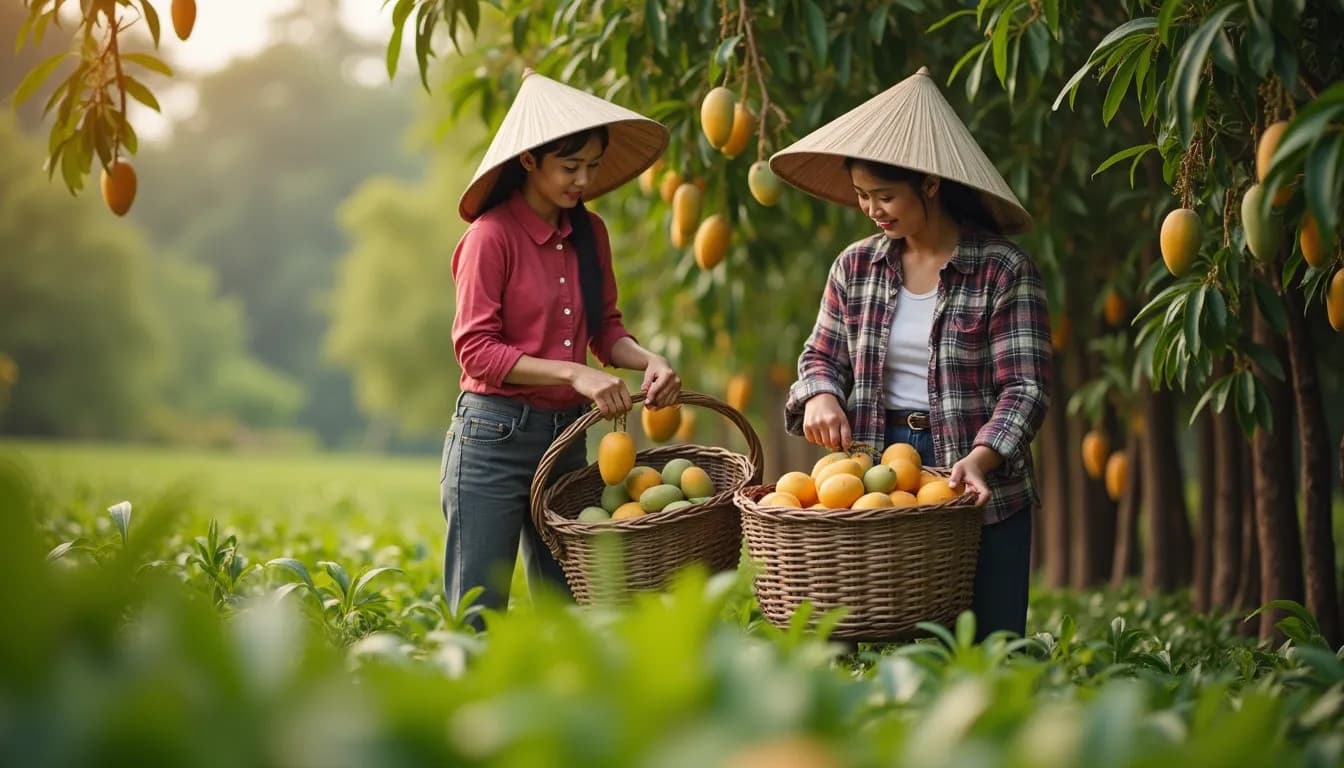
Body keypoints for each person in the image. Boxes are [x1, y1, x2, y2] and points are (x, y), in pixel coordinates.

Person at [769, 67, 1051, 641]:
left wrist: (982, 458)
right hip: (877, 471)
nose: (872, 209)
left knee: (990, 644)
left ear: (929, 182)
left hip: (975, 474)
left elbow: (1025, 387)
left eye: (885, 195)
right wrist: (821, 394)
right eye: (861, 196)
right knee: (890, 640)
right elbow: (819, 357)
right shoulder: (855, 267)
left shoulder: (1003, 269)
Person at [443, 70, 682, 628]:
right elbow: (476, 350)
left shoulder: (589, 233)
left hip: (565, 442)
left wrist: (651, 360)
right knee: (478, 616)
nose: (583, 180)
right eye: (569, 167)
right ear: (529, 161)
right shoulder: (491, 237)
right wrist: (573, 375)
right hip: (492, 440)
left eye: (592, 167)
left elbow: (606, 331)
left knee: (568, 613)